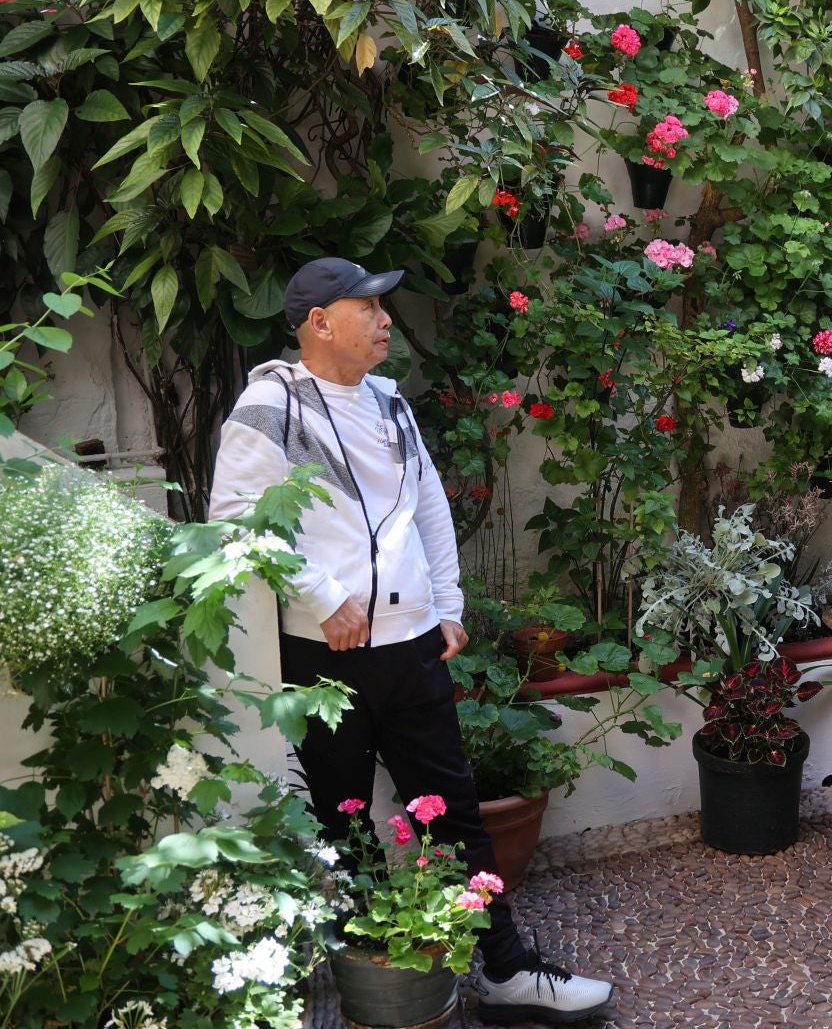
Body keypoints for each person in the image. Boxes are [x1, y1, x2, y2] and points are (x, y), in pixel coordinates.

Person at [210, 257, 613, 1024]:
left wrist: (449, 605)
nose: (388, 320)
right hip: (322, 656)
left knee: (453, 808)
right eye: (370, 307)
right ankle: (380, 981)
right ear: (320, 321)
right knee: (342, 815)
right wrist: (323, 597)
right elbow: (233, 518)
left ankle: (505, 969)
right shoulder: (271, 405)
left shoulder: (391, 401)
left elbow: (427, 503)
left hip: (413, 644)